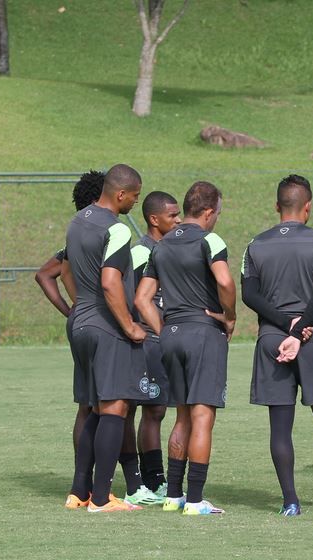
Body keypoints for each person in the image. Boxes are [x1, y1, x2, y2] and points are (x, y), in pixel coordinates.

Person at [242, 174, 313, 516]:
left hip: (271, 339)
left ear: (277, 206)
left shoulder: (255, 243)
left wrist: (285, 326)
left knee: (280, 424)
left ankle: (290, 501)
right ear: (307, 207)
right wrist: (301, 327)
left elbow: (249, 295)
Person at [135, 181, 236, 515]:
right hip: (203, 333)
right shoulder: (209, 240)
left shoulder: (161, 246)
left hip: (172, 336)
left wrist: (165, 330)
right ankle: (195, 500)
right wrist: (230, 317)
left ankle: (174, 495)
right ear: (208, 212)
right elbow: (223, 280)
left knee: (181, 417)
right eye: (217, 213)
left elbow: (142, 299)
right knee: (203, 416)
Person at [63, 164, 148, 513]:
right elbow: (111, 281)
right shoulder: (117, 229)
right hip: (105, 326)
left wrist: (79, 306)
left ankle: (78, 492)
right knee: (115, 408)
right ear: (121, 194)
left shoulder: (78, 220)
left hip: (79, 322)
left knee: (93, 408)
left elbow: (65, 270)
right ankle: (101, 499)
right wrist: (128, 325)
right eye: (135, 196)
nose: (135, 203)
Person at [35, 170, 103, 454]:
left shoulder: (75, 236)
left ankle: (83, 480)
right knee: (106, 405)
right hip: (98, 320)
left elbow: (44, 274)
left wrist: (71, 311)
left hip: (80, 319)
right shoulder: (98, 236)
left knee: (86, 404)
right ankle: (104, 481)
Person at [127, 191, 182, 500]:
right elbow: (130, 298)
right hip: (146, 341)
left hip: (164, 339)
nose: (178, 220)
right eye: (172, 215)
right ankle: (151, 480)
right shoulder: (141, 252)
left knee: (157, 409)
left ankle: (152, 481)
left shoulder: (167, 249)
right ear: (154, 219)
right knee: (151, 409)